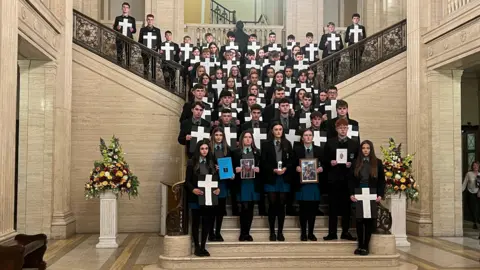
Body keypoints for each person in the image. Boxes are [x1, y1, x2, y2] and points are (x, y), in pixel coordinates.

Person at [323, 118, 358, 241]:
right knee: (332, 207)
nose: (343, 130)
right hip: (334, 179)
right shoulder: (330, 142)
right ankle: (332, 232)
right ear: (337, 129)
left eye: (345, 128)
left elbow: (357, 161)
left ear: (347, 129)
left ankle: (345, 231)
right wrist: (330, 162)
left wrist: (351, 164)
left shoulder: (354, 144)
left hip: (347, 180)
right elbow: (324, 159)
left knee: (346, 207)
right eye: (340, 128)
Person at [184, 140, 220, 257]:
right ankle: (197, 247)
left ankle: (203, 246)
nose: (204, 151)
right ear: (198, 150)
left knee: (206, 222)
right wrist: (193, 189)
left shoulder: (211, 163)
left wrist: (217, 189)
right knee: (196, 222)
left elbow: (215, 181)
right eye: (202, 148)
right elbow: (187, 181)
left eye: (206, 148)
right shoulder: (191, 162)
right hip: (195, 197)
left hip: (208, 198)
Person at [349, 140, 385, 255]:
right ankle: (360, 246)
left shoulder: (377, 163)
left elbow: (381, 181)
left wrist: (380, 195)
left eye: (368, 148)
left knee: (369, 221)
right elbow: (350, 181)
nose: (365, 150)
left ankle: (366, 246)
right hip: (358, 193)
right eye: (363, 148)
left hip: (371, 193)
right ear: (361, 149)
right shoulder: (355, 162)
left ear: (371, 149)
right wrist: (351, 194)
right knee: (359, 221)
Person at [261, 122, 294, 241]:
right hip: (271, 178)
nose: (278, 131)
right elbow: (263, 162)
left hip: (284, 179)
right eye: (276, 129)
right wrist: (273, 170)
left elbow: (291, 161)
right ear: (272, 131)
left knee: (281, 205)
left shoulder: (287, 144)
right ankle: (272, 232)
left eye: (280, 129)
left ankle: (280, 231)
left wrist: (285, 168)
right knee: (272, 205)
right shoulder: (266, 145)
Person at [293, 129, 324, 241]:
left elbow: (324, 164)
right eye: (306, 135)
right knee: (303, 209)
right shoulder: (297, 150)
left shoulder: (319, 150)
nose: (308, 137)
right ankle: (303, 233)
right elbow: (292, 164)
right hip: (302, 185)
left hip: (314, 185)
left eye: (310, 135)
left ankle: (311, 232)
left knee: (313, 209)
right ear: (302, 138)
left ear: (313, 137)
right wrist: (296, 168)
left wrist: (321, 168)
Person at [233, 130, 262, 241]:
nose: (248, 139)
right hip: (242, 184)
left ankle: (247, 233)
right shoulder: (236, 152)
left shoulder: (257, 152)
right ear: (242, 139)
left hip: (253, 183)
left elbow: (263, 167)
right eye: (245, 137)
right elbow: (231, 168)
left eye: (250, 137)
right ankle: (243, 233)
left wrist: (259, 169)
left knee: (250, 209)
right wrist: (236, 169)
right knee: (243, 208)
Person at [208, 128, 233, 242]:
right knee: (212, 209)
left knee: (220, 209)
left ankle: (218, 232)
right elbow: (204, 165)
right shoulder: (208, 149)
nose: (218, 137)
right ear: (213, 136)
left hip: (223, 182)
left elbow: (230, 165)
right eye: (216, 135)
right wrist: (214, 168)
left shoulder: (227, 150)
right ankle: (210, 233)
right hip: (211, 182)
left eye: (220, 135)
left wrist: (230, 173)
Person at [138, 14, 162, 78]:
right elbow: (139, 41)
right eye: (148, 19)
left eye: (151, 19)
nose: (150, 21)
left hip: (154, 51)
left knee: (153, 65)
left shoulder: (157, 30)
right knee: (146, 65)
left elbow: (159, 41)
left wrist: (157, 47)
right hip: (145, 51)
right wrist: (143, 47)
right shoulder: (143, 30)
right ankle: (145, 78)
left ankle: (153, 79)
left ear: (153, 20)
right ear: (146, 20)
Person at [462, 161, 480, 228]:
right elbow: (464, 184)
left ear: (478, 166)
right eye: (474, 165)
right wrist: (459, 191)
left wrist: (479, 192)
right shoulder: (469, 174)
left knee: (477, 209)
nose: (475, 167)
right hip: (470, 193)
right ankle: (475, 222)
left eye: (476, 165)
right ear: (472, 166)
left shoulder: (479, 174)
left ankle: (476, 221)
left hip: (478, 193)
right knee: (473, 208)